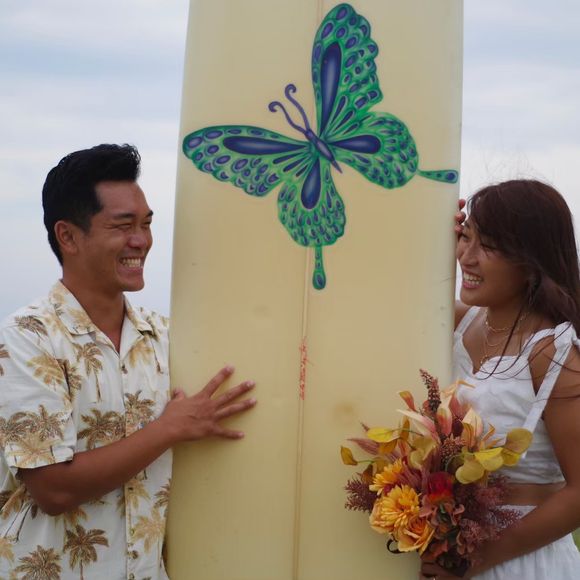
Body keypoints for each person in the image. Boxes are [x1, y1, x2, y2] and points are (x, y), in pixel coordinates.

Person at [0, 144, 257, 579]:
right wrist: (170, 428)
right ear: (68, 237)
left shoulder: (168, 336)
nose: (141, 240)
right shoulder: (26, 336)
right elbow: (52, 488)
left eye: (146, 224)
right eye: (123, 226)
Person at [420, 179, 580, 579]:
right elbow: (394, 291)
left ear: (531, 259)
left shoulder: (552, 350)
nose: (467, 257)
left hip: (523, 561)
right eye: (466, 237)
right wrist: (429, 232)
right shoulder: (458, 321)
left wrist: (475, 559)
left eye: (488, 245)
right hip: (451, 551)